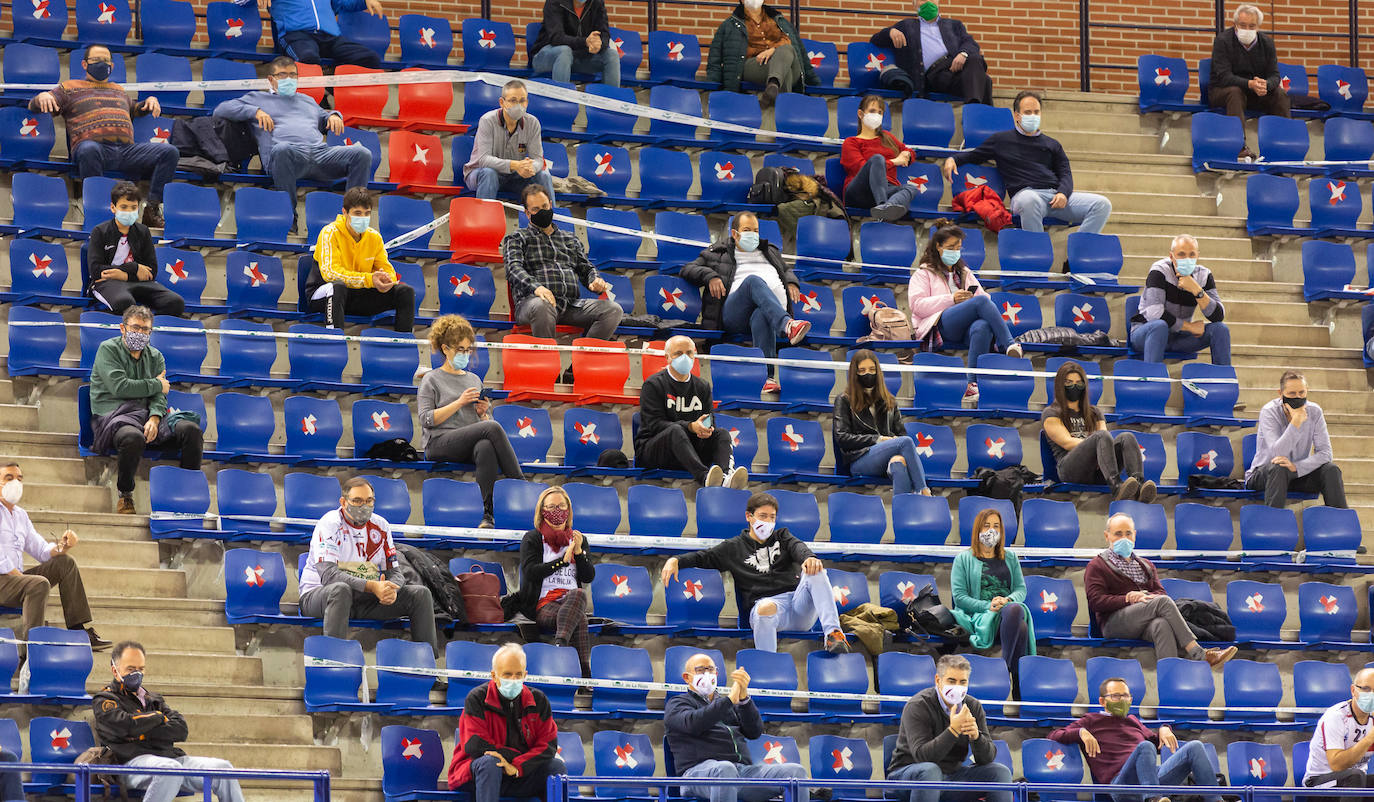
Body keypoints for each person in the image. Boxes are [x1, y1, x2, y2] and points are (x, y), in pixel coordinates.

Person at [661, 492, 849, 654]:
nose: (768, 522)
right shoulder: (733, 547)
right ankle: (767, 665)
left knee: (815, 569)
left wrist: (809, 557)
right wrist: (675, 560)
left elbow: (798, 547)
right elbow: (705, 557)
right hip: (766, 608)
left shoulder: (782, 536)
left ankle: (833, 634)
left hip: (798, 604)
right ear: (749, 516)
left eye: (772, 517)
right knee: (764, 609)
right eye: (763, 516)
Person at [29, 44, 175, 228]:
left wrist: (150, 101)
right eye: (96, 60)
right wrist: (41, 97)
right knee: (89, 149)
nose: (102, 64)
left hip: (127, 151)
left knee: (169, 152)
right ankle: (99, 211)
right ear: (84, 64)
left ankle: (151, 210)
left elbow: (136, 109)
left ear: (112, 66)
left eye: (106, 60)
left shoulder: (118, 90)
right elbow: (35, 105)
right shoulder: (69, 88)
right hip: (94, 149)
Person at [297, 477, 441, 657]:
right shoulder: (330, 523)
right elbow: (329, 576)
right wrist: (373, 586)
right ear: (343, 502)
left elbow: (395, 572)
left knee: (420, 594)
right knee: (340, 590)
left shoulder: (381, 526)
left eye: (369, 501)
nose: (363, 506)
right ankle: (335, 665)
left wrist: (391, 588)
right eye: (357, 501)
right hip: (319, 596)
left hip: (363, 598)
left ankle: (428, 667)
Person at [93, 641, 246, 802]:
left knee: (223, 769)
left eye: (140, 669)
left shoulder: (153, 699)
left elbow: (181, 729)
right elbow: (126, 726)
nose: (136, 674)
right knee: (169, 770)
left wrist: (141, 732)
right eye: (130, 669)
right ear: (115, 671)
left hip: (170, 759)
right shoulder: (105, 699)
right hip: (129, 764)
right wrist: (158, 718)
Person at [943, 91, 1112, 234]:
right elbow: (974, 155)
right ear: (1017, 115)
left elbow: (1065, 173)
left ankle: (1076, 256)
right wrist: (953, 159)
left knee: (1102, 205)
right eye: (1028, 112)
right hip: (1025, 195)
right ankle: (1037, 255)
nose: (1033, 116)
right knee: (1029, 201)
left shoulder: (1052, 144)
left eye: (1036, 112)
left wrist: (1063, 193)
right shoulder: (1001, 140)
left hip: (1054, 196)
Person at [213, 56, 371, 210]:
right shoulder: (257, 98)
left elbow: (324, 116)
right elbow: (220, 110)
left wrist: (334, 115)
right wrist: (255, 111)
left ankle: (353, 213)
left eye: (292, 75)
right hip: (286, 157)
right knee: (283, 149)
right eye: (282, 75)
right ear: (270, 79)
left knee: (362, 153)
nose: (288, 79)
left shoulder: (307, 100)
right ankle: (289, 216)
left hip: (319, 154)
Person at [89, 306, 204, 515]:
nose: (140, 333)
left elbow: (159, 396)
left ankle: (187, 497)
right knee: (133, 438)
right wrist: (157, 384)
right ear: (123, 328)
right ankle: (125, 495)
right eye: (135, 328)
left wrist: (154, 417)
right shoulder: (108, 349)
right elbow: (120, 387)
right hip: (113, 416)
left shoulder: (156, 356)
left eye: (146, 330)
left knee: (191, 431)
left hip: (146, 414)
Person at [679, 212, 809, 394]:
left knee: (761, 314)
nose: (753, 235)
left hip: (767, 313)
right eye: (747, 230)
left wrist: (792, 282)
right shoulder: (719, 251)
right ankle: (787, 324)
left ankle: (767, 378)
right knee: (753, 281)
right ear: (735, 233)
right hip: (734, 314)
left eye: (755, 230)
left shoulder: (770, 251)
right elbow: (688, 269)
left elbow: (786, 270)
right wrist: (710, 276)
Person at [1085, 513, 1237, 668]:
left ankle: (1170, 680)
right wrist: (1127, 598)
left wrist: (1144, 596)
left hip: (1143, 619)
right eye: (1118, 534)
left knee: (1161, 624)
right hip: (1114, 623)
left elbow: (1160, 593)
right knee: (1163, 602)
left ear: (1135, 535)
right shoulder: (1097, 565)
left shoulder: (1146, 565)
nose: (1124, 538)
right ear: (1106, 536)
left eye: (1128, 533)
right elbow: (1095, 601)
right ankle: (1200, 654)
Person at [418, 314, 524, 528]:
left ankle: (488, 514)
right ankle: (521, 486)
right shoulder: (432, 379)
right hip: (438, 442)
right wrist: (459, 402)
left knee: (485, 445)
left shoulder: (473, 379)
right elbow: (426, 419)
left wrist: (483, 413)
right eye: (460, 350)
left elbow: (485, 426)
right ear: (445, 349)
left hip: (467, 442)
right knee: (491, 429)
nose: (465, 355)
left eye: (468, 350)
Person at [1049, 677, 1221, 802]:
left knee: (1195, 747)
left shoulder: (1133, 720)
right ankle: (1153, 799)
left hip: (1150, 777)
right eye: (1116, 696)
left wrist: (1164, 728)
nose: (1123, 700)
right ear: (1102, 701)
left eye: (1126, 696)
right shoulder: (1091, 720)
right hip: (1122, 785)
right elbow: (1054, 735)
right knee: (1144, 746)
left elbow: (1156, 745)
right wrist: (1081, 732)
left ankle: (1215, 800)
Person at [666, 653, 809, 802]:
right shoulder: (677, 703)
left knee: (796, 772)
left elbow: (754, 732)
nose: (707, 674)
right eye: (700, 670)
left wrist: (744, 699)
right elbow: (693, 723)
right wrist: (728, 701)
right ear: (687, 677)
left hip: (741, 772)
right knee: (724, 769)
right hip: (698, 773)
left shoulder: (726, 704)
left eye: (711, 669)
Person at [907, 220, 1022, 401]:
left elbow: (986, 298)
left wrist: (969, 301)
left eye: (958, 247)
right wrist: (951, 299)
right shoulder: (923, 274)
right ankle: (1009, 344)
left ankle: (972, 384)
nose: (955, 252)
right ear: (938, 246)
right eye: (951, 247)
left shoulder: (964, 272)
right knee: (981, 302)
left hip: (966, 327)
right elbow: (917, 306)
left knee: (983, 326)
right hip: (939, 326)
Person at [0, 462, 109, 651]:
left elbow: (42, 550)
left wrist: (62, 547)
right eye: (9, 478)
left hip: (14, 581)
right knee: (38, 583)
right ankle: (33, 650)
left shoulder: (20, 515)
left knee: (64, 563)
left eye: (19, 479)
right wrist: (23, 578)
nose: (15, 483)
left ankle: (78, 630)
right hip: (3, 580)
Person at [885, 654, 1012, 802]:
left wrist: (976, 736)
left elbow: (987, 758)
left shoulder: (973, 706)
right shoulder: (918, 705)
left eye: (962, 682)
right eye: (952, 681)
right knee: (930, 771)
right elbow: (922, 757)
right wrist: (953, 730)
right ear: (938, 680)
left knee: (999, 772)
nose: (957, 687)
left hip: (951, 776)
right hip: (908, 775)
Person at [503, 184, 622, 340]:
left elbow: (586, 268)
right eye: (536, 209)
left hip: (571, 305)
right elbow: (513, 269)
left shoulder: (570, 239)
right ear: (527, 213)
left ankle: (580, 364)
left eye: (545, 206)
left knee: (613, 310)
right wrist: (537, 288)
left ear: (551, 205)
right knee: (542, 305)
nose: (542, 211)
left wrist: (594, 280)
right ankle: (547, 363)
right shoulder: (517, 238)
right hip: (532, 304)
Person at [448, 643, 564, 801]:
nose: (513, 680)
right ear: (494, 675)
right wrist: (512, 759)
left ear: (525, 675)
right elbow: (475, 745)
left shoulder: (539, 701)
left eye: (518, 674)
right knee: (491, 762)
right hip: (476, 776)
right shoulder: (477, 698)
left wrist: (517, 766)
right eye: (507, 674)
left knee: (556, 767)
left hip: (519, 774)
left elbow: (548, 746)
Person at [635, 335, 747, 488]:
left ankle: (727, 477)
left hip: (689, 451)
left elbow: (709, 419)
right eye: (678, 353)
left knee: (721, 434)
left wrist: (706, 429)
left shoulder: (702, 386)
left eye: (689, 353)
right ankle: (704, 477)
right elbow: (654, 424)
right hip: (654, 450)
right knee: (675, 430)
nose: (685, 358)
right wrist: (690, 426)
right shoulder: (653, 384)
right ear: (667, 357)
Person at [304, 187, 416, 332]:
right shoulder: (329, 233)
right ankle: (335, 341)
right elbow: (331, 274)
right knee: (337, 287)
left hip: (357, 296)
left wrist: (385, 280)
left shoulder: (374, 237)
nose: (362, 218)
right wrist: (369, 279)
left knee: (405, 291)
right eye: (357, 213)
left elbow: (388, 272)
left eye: (367, 214)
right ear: (345, 212)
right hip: (324, 295)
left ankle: (403, 346)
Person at [509, 487, 595, 676]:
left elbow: (588, 577)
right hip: (543, 605)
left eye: (561, 506)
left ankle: (560, 642)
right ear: (542, 511)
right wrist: (560, 562)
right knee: (579, 617)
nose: (557, 512)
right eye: (551, 507)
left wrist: (579, 553)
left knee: (578, 595)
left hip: (571, 601)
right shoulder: (532, 538)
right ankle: (585, 674)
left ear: (569, 510)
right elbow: (530, 572)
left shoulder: (578, 539)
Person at [1042, 361, 1156, 502]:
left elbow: (1105, 438)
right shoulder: (1051, 413)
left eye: (1079, 383)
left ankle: (1138, 487)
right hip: (1069, 470)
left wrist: (1101, 450)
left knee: (1127, 437)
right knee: (1100, 437)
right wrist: (1096, 447)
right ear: (1060, 385)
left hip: (1097, 471)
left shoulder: (1095, 412)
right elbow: (1067, 442)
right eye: (1069, 383)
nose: (1074, 387)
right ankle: (1116, 487)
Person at [951, 509, 1032, 697]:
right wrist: (987, 606)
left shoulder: (1010, 557)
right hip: (980, 615)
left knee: (1014, 609)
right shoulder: (963, 559)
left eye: (996, 526)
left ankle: (1005, 671)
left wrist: (1007, 599)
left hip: (1007, 611)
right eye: (986, 526)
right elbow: (960, 597)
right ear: (978, 529)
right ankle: (1014, 679)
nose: (991, 531)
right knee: (1020, 628)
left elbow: (1021, 590)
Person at [833, 349, 930, 495]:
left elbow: (900, 433)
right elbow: (842, 437)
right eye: (862, 370)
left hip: (887, 457)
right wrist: (878, 440)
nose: (868, 374)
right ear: (855, 374)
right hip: (859, 460)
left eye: (872, 369)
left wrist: (892, 440)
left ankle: (904, 514)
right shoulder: (844, 400)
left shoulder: (889, 400)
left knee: (899, 463)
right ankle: (924, 492)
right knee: (906, 442)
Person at [1245, 370, 1346, 509]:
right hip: (1264, 474)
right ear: (1280, 394)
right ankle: (1274, 526)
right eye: (1292, 394)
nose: (1298, 397)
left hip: (1297, 474)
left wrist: (1297, 467)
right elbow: (1278, 453)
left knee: (1331, 470)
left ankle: (1339, 524)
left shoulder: (1315, 411)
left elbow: (1326, 453)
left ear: (1307, 391)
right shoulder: (1269, 411)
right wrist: (1296, 422)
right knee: (1278, 468)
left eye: (1302, 393)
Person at [86, 181, 185, 317]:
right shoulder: (99, 231)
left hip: (138, 282)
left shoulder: (143, 231)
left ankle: (148, 330)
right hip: (107, 283)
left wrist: (124, 274)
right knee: (125, 303)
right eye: (124, 207)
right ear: (113, 208)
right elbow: (96, 270)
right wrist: (134, 268)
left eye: (133, 208)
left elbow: (151, 271)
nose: (129, 212)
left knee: (175, 302)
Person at [1131, 235, 1230, 366]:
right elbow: (1154, 313)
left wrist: (1197, 290)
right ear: (1171, 256)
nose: (1187, 259)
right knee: (1159, 326)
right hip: (1147, 333)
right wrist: (1189, 327)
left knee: (1220, 329)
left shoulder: (1204, 275)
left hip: (1178, 336)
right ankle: (1154, 381)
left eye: (1192, 254)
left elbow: (1218, 315)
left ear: (1197, 256)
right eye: (1181, 254)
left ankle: (1223, 381)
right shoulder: (1159, 270)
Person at [869, 1, 992, 104]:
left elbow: (971, 43)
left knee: (975, 59)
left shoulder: (954, 25)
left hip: (958, 68)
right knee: (984, 80)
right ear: (914, 4)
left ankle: (974, 107)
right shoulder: (906, 26)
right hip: (935, 74)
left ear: (938, 2)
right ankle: (980, 114)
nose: (928, 1)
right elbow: (875, 39)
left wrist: (963, 54)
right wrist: (890, 32)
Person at [1208, 4, 1289, 160]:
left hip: (1254, 92)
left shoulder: (1267, 43)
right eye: (1243, 25)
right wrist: (1250, 84)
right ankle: (1239, 146)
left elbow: (1274, 75)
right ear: (1235, 25)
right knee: (1235, 92)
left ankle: (1282, 143)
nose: (1247, 29)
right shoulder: (1222, 41)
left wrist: (1266, 85)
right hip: (1223, 91)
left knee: (1280, 93)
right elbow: (1224, 77)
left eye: (1252, 26)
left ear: (1258, 27)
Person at [705, 0, 817, 108]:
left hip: (786, 60)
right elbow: (714, 59)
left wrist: (773, 50)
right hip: (754, 64)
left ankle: (773, 85)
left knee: (786, 49)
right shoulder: (729, 25)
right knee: (785, 72)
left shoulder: (781, 21)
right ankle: (779, 106)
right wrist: (711, 87)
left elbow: (801, 51)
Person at [463, 80, 556, 202]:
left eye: (522, 101)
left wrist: (530, 168)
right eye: (513, 100)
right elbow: (484, 160)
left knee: (543, 175)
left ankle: (550, 219)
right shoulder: (487, 120)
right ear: (502, 102)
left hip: (514, 176)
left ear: (527, 102)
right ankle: (484, 219)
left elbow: (538, 159)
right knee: (489, 173)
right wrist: (515, 165)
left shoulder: (533, 123)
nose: (518, 105)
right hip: (480, 173)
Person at [841, 95, 918, 221]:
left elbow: (909, 151)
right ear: (860, 114)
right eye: (872, 111)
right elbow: (861, 168)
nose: (876, 115)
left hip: (888, 187)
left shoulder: (886, 136)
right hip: (861, 189)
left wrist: (907, 154)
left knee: (912, 188)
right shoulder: (851, 142)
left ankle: (888, 207)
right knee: (877, 159)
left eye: (880, 112)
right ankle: (882, 205)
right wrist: (894, 161)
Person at [1301, 667, 1374, 798]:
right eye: (1366, 689)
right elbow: (1337, 765)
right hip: (1318, 784)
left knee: (1357, 777)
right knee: (1355, 776)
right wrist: (1369, 739)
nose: (1371, 695)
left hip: (1355, 781)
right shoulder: (1336, 716)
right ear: (1353, 690)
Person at [530, 0, 620, 87]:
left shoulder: (597, 3)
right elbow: (556, 38)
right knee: (564, 51)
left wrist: (598, 44)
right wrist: (585, 42)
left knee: (611, 55)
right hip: (547, 57)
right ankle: (561, 100)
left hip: (578, 58)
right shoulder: (554, 2)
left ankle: (612, 100)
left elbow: (604, 33)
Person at [270, 0, 383, 68]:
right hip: (296, 35)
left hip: (331, 36)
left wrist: (364, 1)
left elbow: (343, 3)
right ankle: (316, 97)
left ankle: (329, 85)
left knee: (369, 58)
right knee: (307, 58)